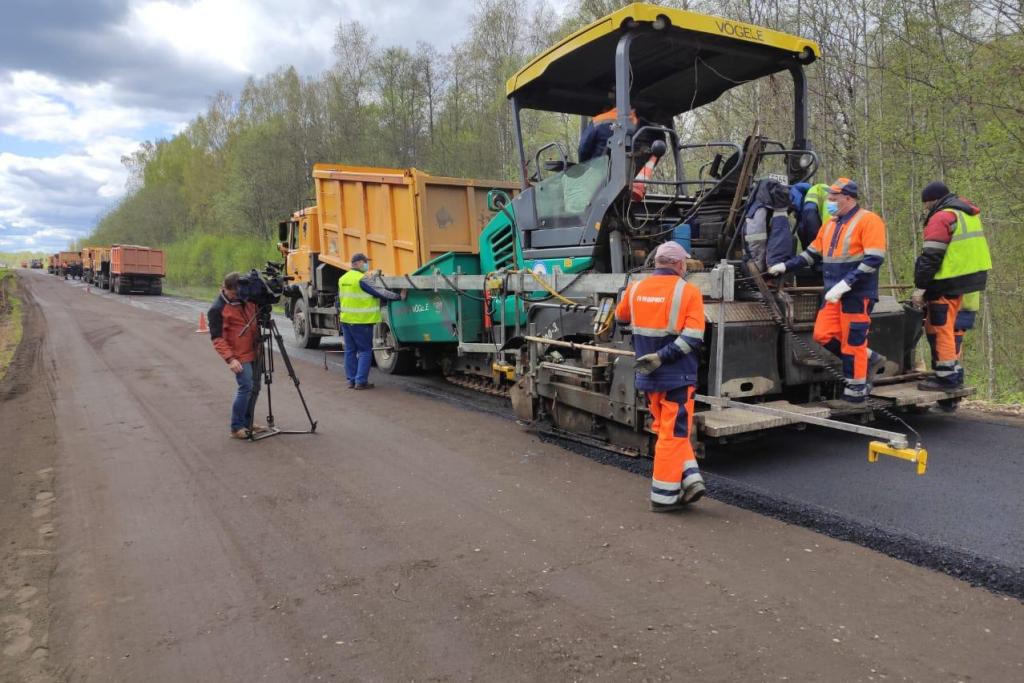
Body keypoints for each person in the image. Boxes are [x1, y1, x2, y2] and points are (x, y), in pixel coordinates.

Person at [768, 178, 887, 402]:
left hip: (856, 294)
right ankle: (869, 358)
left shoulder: (869, 220)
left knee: (853, 343)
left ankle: (856, 392)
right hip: (833, 293)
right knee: (823, 334)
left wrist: (847, 283)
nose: (830, 202)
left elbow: (874, 258)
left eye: (834, 198)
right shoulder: (831, 224)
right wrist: (785, 266)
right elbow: (811, 254)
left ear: (848, 198)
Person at [615, 241, 706, 512]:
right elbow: (693, 338)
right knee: (674, 435)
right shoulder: (689, 292)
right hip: (677, 377)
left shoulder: (636, 289)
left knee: (665, 428)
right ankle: (664, 496)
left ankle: (691, 478)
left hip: (648, 377)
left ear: (657, 263)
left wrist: (651, 354)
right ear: (679, 265)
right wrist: (663, 356)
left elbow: (621, 319)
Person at [911, 181, 991, 391]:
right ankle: (954, 375)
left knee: (939, 327)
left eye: (926, 204)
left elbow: (931, 256)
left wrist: (921, 286)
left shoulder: (942, 216)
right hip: (969, 280)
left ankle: (945, 378)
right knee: (954, 330)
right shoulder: (968, 214)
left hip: (947, 280)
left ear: (932, 200)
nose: (926, 208)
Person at [337, 253, 403, 389]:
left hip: (346, 320)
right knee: (365, 351)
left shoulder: (343, 278)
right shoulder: (362, 279)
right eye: (365, 262)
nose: (367, 264)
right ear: (358, 263)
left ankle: (351, 380)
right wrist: (398, 296)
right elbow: (380, 292)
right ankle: (360, 381)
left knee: (350, 351)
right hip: (361, 322)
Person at [209, 272, 261, 439]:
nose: (236, 296)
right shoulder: (217, 308)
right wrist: (230, 359)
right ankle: (236, 427)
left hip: (255, 350)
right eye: (232, 293)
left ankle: (248, 422)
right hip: (238, 355)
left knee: (255, 388)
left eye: (237, 292)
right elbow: (217, 338)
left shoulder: (247, 298)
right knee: (245, 387)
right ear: (225, 289)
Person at [743, 179, 795, 272]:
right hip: (770, 264)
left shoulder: (758, 210)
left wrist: (758, 266)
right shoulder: (778, 212)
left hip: (765, 265)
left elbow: (756, 239)